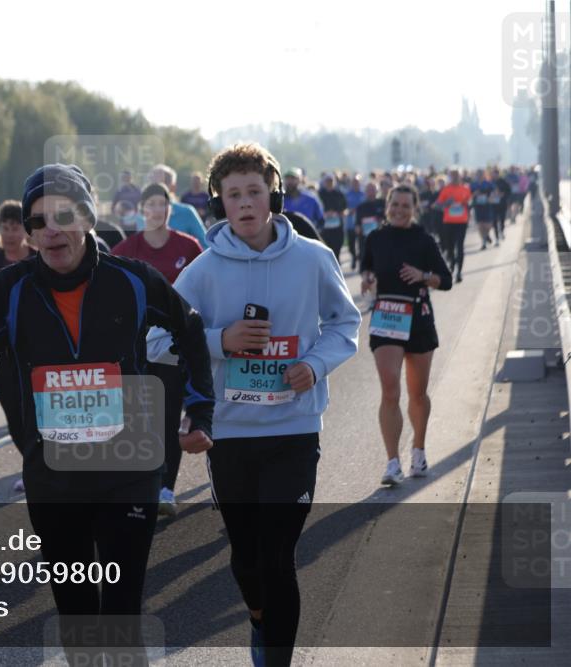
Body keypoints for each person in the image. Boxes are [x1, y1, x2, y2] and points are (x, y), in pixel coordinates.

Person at [0, 164, 214, 657]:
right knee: (78, 616)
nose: (51, 230)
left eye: (64, 216)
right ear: (31, 234)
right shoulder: (11, 289)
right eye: (39, 222)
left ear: (86, 217)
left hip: (128, 469)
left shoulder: (133, 280)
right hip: (54, 479)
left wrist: (200, 410)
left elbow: (189, 329)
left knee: (121, 612)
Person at [149, 143, 360, 667]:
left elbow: (344, 324)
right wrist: (222, 340)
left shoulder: (314, 259)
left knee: (278, 556)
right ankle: (260, 618)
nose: (245, 203)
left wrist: (313, 364)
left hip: (293, 427)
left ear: (274, 196)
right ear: (220, 202)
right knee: (247, 559)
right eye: (233, 195)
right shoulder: (202, 270)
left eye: (254, 192)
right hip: (232, 433)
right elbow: (155, 339)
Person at [111, 183, 202, 516]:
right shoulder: (127, 248)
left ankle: (165, 487)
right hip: (134, 345)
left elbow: (204, 288)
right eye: (148, 205)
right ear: (141, 210)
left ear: (169, 208)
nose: (155, 210)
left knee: (167, 415)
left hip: (173, 345)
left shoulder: (188, 247)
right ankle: (137, 484)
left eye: (161, 204)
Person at [360, 184, 452, 486]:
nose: (399, 210)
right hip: (387, 316)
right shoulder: (374, 237)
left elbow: (446, 280)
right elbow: (367, 270)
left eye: (405, 205)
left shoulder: (424, 240)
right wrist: (368, 279)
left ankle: (419, 451)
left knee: (417, 392)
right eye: (395, 204)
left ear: (414, 208)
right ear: (387, 206)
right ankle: (392, 463)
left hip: (418, 319)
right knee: (390, 389)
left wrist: (424, 276)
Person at [0, 201, 37, 493]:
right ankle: (31, 464)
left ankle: (42, 468)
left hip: (40, 352)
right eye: (5, 228)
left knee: (39, 413)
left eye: (16, 227)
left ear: (27, 230)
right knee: (14, 414)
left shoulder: (41, 261)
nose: (10, 234)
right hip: (3, 355)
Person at [148, 164, 208, 248]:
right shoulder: (141, 215)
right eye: (153, 184)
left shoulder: (187, 213)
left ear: (172, 187)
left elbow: (205, 246)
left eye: (161, 185)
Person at [435, 168, 473, 283]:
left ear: (460, 177)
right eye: (453, 176)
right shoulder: (446, 190)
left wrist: (466, 204)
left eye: (457, 176)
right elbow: (437, 205)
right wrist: (447, 203)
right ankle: (452, 263)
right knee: (450, 246)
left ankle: (459, 272)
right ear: (450, 177)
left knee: (460, 246)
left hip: (461, 222)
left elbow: (470, 202)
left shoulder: (465, 189)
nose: (455, 178)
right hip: (448, 222)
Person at [317, 174, 348, 262]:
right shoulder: (320, 194)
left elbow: (345, 209)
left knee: (337, 250)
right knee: (325, 250)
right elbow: (316, 210)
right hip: (324, 229)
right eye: (327, 181)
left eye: (331, 181)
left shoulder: (339, 194)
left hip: (337, 228)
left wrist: (337, 213)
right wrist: (325, 214)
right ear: (324, 182)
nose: (329, 183)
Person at [354, 182, 385, 268]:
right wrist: (359, 229)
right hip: (365, 242)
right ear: (365, 192)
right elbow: (357, 226)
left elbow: (389, 220)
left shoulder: (384, 204)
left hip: (381, 241)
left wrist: (381, 222)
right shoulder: (361, 207)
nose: (371, 192)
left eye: (373, 189)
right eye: (368, 190)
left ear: (377, 191)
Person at [344, 175, 366, 270]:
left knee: (361, 244)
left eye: (357, 183)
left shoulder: (363, 194)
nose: (355, 184)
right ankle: (354, 256)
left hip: (362, 225)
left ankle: (361, 261)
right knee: (351, 245)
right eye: (354, 183)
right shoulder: (347, 194)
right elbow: (343, 208)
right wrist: (349, 210)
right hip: (350, 224)